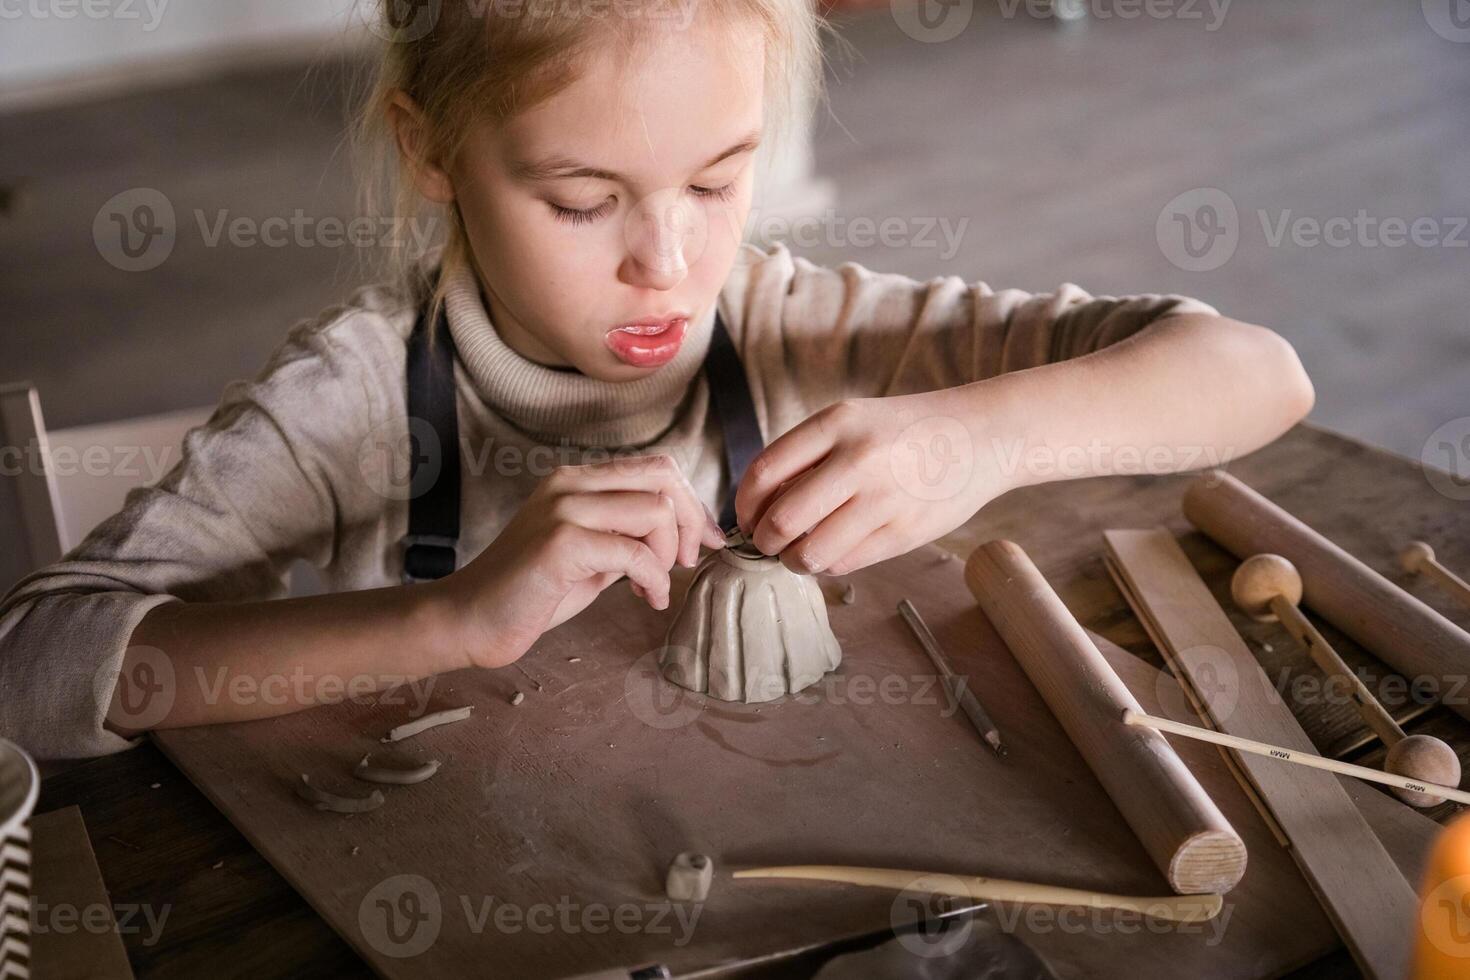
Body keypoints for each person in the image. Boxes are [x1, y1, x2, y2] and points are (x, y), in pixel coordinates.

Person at [0, 0, 1314, 760]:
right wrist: (447, 621)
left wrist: (980, 438)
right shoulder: (352, 402)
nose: (669, 265)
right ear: (432, 149)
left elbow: (1257, 374)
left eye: (716, 180)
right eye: (582, 200)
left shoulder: (802, 324)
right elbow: (33, 669)